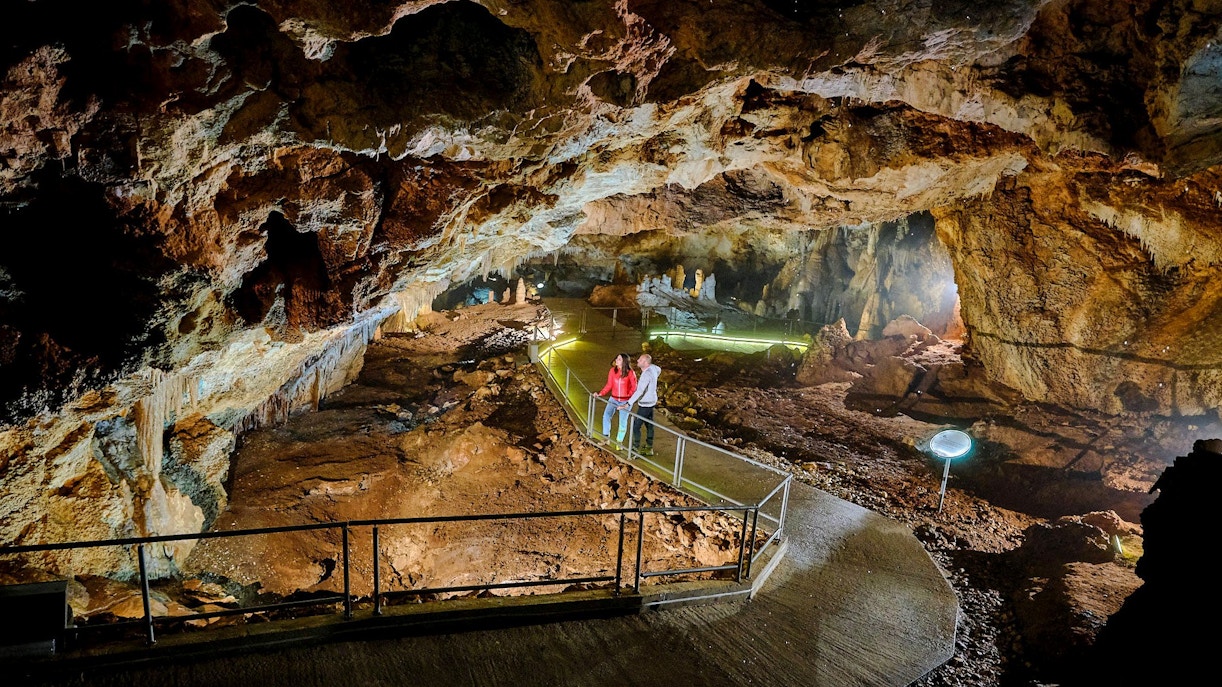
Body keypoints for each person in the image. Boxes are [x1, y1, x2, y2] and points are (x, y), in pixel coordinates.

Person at [622, 353, 660, 457]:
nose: (638, 360)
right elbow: (659, 369)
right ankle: (649, 446)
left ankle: (635, 447)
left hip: (645, 404)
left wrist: (628, 403)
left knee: (636, 426)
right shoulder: (653, 368)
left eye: (640, 360)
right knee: (649, 424)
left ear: (646, 363)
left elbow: (639, 391)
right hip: (652, 401)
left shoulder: (646, 375)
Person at [597, 352, 637, 448]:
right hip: (614, 398)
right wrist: (601, 393)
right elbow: (609, 384)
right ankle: (606, 437)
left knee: (622, 422)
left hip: (625, 401)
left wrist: (628, 397)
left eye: (619, 359)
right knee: (606, 415)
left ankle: (619, 442)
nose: (616, 360)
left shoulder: (630, 373)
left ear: (624, 362)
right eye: (617, 358)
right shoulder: (612, 371)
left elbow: (634, 387)